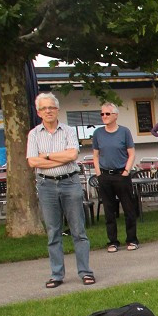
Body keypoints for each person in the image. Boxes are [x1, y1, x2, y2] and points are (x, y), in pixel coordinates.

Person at [26, 92, 95, 288]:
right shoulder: (33, 134)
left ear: (57, 110)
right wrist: (59, 156)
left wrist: (46, 156)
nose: (48, 111)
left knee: (78, 230)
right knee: (53, 231)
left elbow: (72, 155)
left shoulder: (68, 131)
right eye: (44, 108)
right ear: (38, 112)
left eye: (52, 107)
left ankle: (85, 272)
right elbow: (32, 161)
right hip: (46, 185)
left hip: (70, 182)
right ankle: (57, 274)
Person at [91, 103, 139, 253]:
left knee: (129, 209)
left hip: (121, 175)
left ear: (115, 115)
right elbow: (96, 155)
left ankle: (132, 239)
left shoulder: (124, 132)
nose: (104, 116)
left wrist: (126, 170)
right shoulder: (98, 133)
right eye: (102, 114)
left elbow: (131, 153)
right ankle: (112, 241)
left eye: (107, 114)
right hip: (105, 175)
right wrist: (99, 173)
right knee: (109, 210)